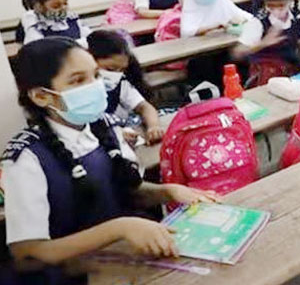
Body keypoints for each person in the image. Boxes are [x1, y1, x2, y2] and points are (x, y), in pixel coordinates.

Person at [2, 37, 219, 284]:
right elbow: (27, 255)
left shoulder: (105, 127)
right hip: (74, 276)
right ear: (42, 96)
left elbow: (124, 191)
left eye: (95, 75)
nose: (95, 86)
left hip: (124, 259)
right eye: (77, 80)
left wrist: (168, 192)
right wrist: (119, 228)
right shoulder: (27, 157)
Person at [87, 30, 165, 145]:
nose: (116, 75)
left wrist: (153, 126)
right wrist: (116, 133)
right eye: (110, 69)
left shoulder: (120, 84)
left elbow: (144, 107)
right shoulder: (80, 94)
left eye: (122, 70)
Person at [19, 0, 91, 47]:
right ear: (39, 7)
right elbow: (38, 47)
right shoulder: (36, 26)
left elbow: (91, 38)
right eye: (56, 6)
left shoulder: (71, 20)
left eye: (65, 3)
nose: (63, 8)